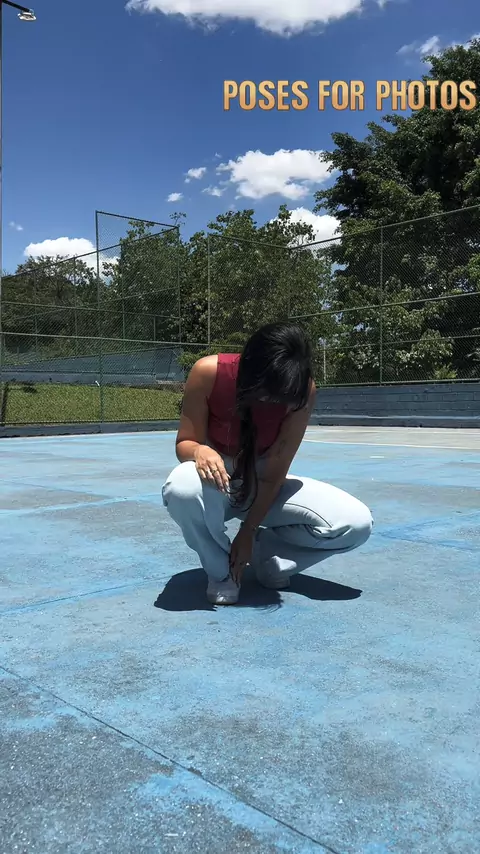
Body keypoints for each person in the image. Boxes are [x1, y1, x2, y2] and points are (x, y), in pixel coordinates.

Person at [162, 322, 373, 605]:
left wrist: (249, 531)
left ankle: (270, 558)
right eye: (266, 393)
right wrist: (200, 450)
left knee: (355, 523)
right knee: (181, 487)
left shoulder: (301, 391)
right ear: (249, 368)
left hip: (262, 484)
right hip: (216, 482)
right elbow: (184, 443)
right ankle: (222, 571)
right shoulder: (208, 373)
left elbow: (275, 472)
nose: (272, 403)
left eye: (281, 397)